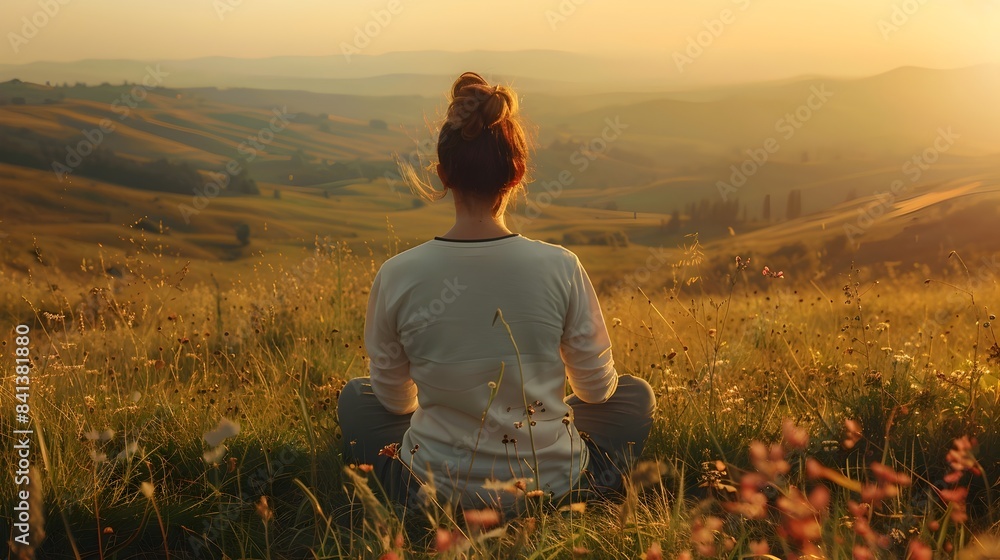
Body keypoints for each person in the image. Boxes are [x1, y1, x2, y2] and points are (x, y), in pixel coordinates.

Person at [337, 72, 655, 515]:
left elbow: (395, 402)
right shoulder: (561, 265)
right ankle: (580, 489)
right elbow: (598, 391)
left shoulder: (397, 273)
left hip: (429, 492)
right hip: (552, 485)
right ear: (518, 172)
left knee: (357, 398)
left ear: (443, 174)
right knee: (635, 395)